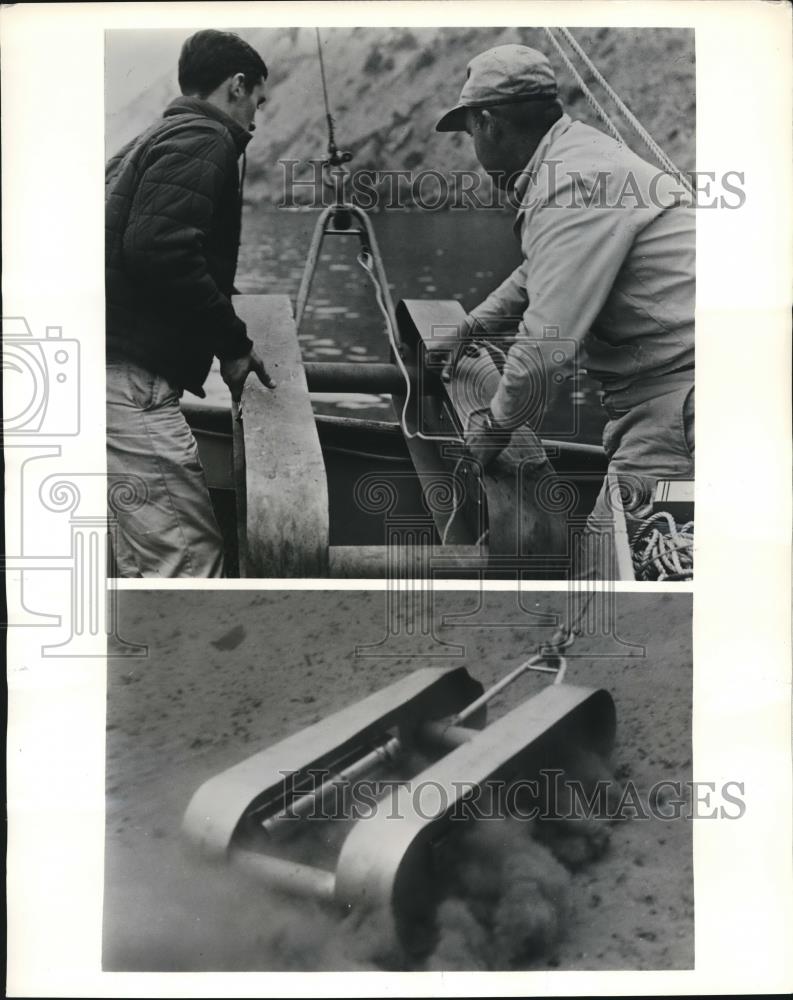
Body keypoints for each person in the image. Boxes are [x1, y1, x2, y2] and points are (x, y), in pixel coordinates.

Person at [435, 44, 695, 577]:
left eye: (469, 132)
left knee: (609, 585)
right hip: (680, 394)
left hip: (681, 408)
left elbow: (544, 346)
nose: (472, 147)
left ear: (487, 122)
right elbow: (542, 273)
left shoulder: (567, 184)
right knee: (608, 570)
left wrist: (493, 428)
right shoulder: (579, 157)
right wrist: (471, 328)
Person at [106, 29, 275, 578]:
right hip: (130, 382)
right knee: (188, 564)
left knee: (145, 566)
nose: (255, 116)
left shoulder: (150, 137)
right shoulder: (205, 137)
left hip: (103, 372)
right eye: (258, 100)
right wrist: (233, 343)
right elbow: (162, 250)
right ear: (238, 85)